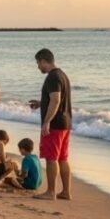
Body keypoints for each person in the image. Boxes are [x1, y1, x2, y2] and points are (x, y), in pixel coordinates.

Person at [28, 49, 72, 201]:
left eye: (38, 63)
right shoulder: (62, 75)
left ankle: (51, 192)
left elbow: (56, 100)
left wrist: (46, 122)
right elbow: (55, 100)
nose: (38, 67)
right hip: (65, 123)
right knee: (63, 158)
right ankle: (66, 191)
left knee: (51, 158)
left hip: (55, 124)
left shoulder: (52, 77)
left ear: (43, 61)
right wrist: (41, 104)